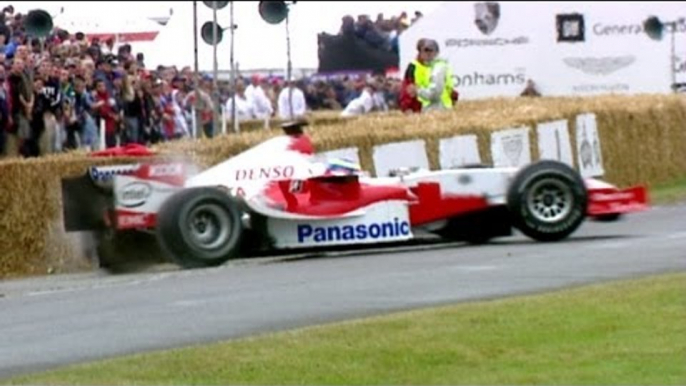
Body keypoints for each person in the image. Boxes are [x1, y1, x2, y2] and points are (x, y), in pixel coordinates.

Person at [399, 38, 456, 113]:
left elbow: (436, 93)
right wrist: (407, 107)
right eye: (425, 50)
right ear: (420, 52)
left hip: (438, 109)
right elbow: (407, 88)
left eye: (431, 51)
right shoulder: (414, 67)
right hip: (428, 109)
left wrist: (418, 90)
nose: (428, 53)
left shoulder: (438, 68)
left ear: (436, 52)